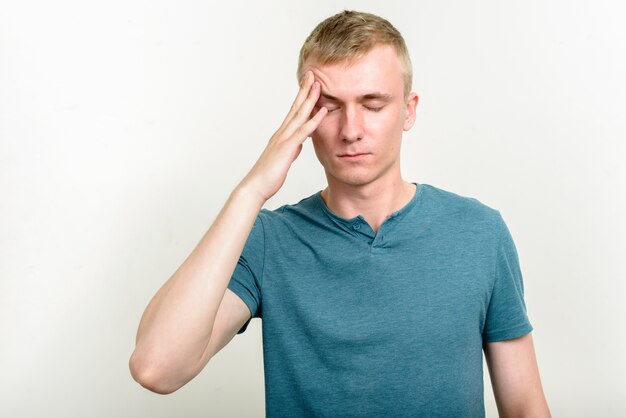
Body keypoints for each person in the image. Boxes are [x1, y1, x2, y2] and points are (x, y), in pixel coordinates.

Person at [129, 10, 551, 417]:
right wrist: (252, 189)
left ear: (409, 109)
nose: (351, 129)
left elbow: (525, 408)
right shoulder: (268, 240)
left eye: (372, 104)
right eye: (329, 106)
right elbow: (156, 368)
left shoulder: (479, 233)